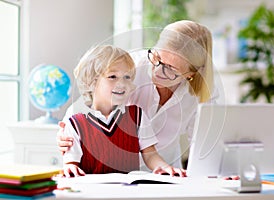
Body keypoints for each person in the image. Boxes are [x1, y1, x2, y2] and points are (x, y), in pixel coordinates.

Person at [58, 20, 218, 171]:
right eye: (157, 57)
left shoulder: (202, 92)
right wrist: (69, 131)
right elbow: (90, 102)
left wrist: (217, 176)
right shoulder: (129, 67)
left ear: (190, 74)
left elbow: (205, 146)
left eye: (171, 69)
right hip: (116, 169)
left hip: (164, 170)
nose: (157, 71)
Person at [62, 44, 186, 177]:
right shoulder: (75, 121)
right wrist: (69, 167)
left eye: (127, 77)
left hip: (128, 191)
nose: (122, 83)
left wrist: (165, 167)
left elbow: (151, 156)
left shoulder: (137, 115)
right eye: (112, 77)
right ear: (92, 82)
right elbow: (71, 163)